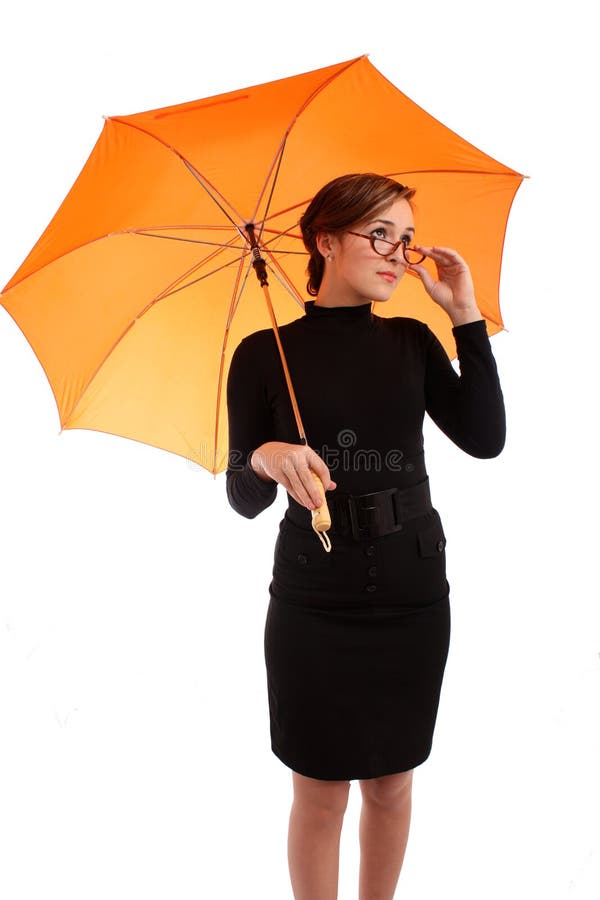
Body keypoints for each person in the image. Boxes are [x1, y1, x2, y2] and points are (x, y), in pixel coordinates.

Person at [225, 173, 505, 900]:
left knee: (392, 785)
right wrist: (267, 458)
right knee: (320, 795)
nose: (398, 253)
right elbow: (241, 497)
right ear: (326, 240)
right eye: (380, 233)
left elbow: (485, 438)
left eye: (406, 239)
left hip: (413, 593)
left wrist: (466, 317)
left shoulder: (411, 341)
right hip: (314, 601)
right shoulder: (262, 354)